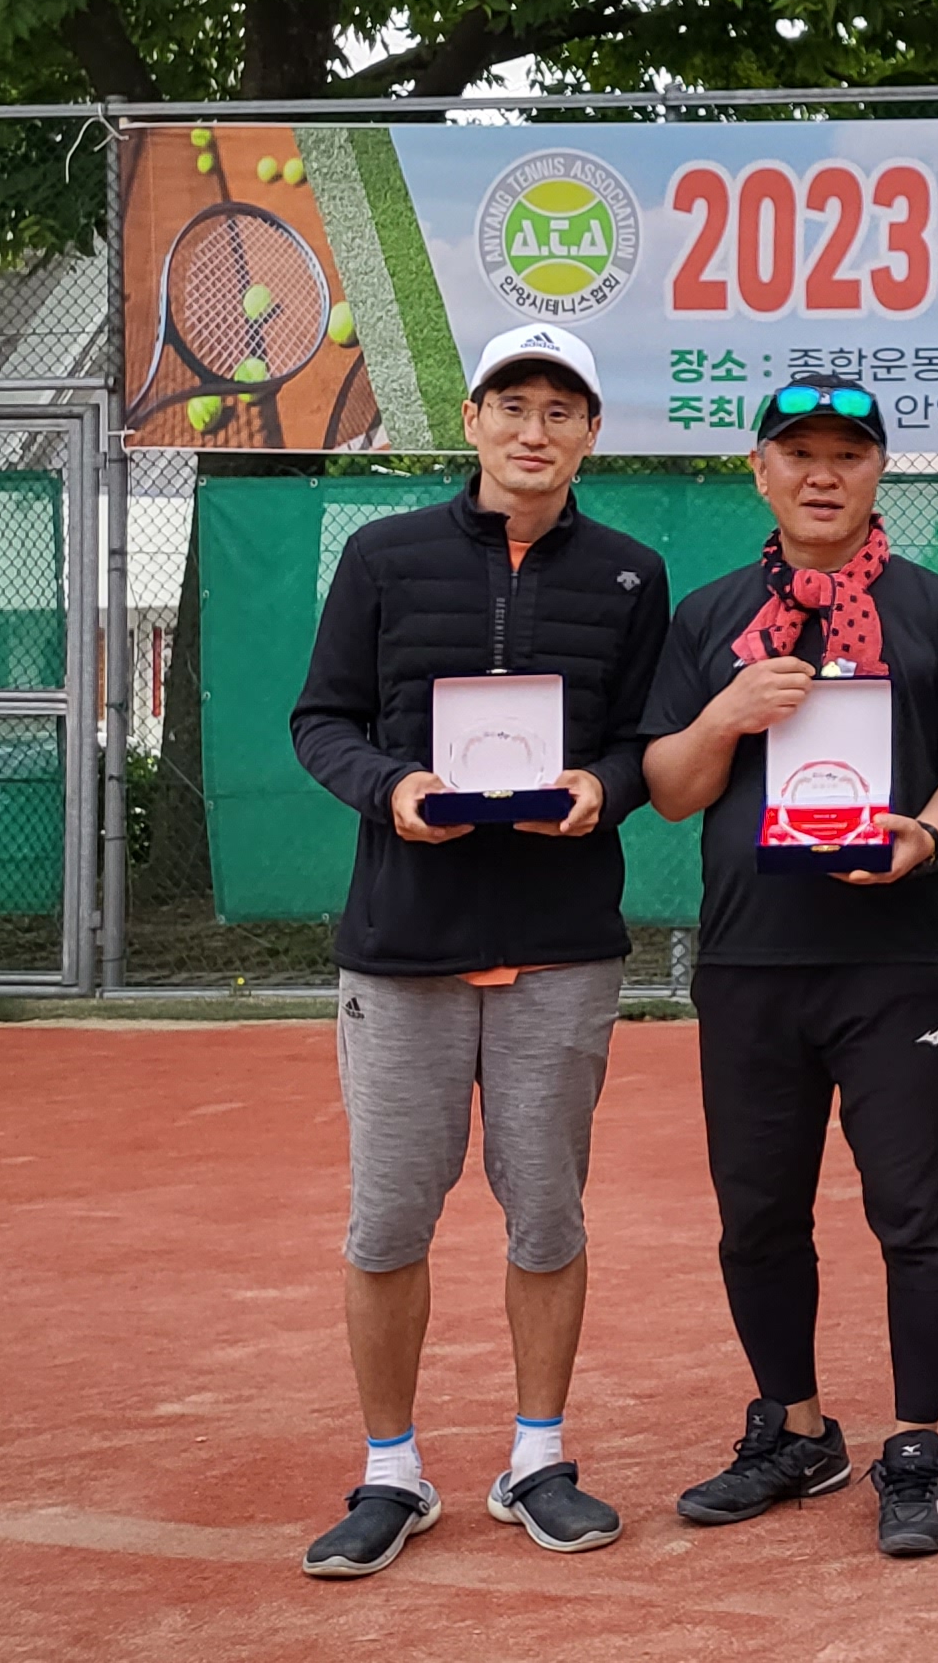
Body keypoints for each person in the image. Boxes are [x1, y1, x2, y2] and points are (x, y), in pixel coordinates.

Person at [288, 323, 669, 1578]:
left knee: (546, 1211)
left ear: (590, 431)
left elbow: (642, 740)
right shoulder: (383, 555)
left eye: (561, 409)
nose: (533, 429)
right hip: (404, 945)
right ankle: (390, 1469)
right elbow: (322, 717)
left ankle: (536, 1458)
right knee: (389, 1217)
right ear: (473, 418)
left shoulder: (631, 572)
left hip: (560, 946)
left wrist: (602, 788)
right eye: (513, 403)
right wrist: (391, 786)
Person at [640, 378, 938, 1557]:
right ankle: (794, 1429)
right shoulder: (709, 617)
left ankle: (915, 1444)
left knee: (918, 1210)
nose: (822, 473)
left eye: (848, 452)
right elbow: (671, 789)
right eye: (798, 451)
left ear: (877, 470)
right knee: (757, 1211)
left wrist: (926, 835)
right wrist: (727, 713)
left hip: (893, 962)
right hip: (750, 957)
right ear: (760, 470)